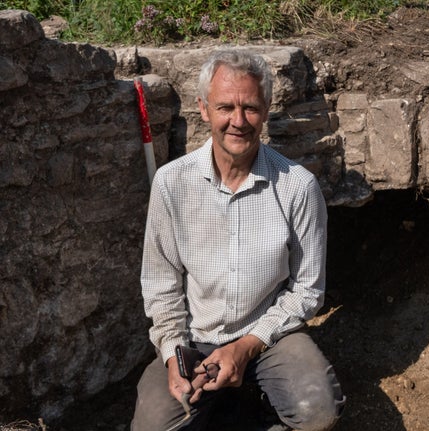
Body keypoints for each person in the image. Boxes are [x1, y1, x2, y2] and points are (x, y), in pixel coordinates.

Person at [131, 49, 345, 431]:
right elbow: (161, 287)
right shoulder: (171, 183)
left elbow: (308, 290)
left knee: (318, 409)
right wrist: (174, 357)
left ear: (265, 110)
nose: (238, 121)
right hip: (195, 339)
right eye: (225, 107)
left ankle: (259, 408)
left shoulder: (297, 187)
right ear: (204, 109)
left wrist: (245, 348)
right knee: (153, 426)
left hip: (269, 337)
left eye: (250, 108)